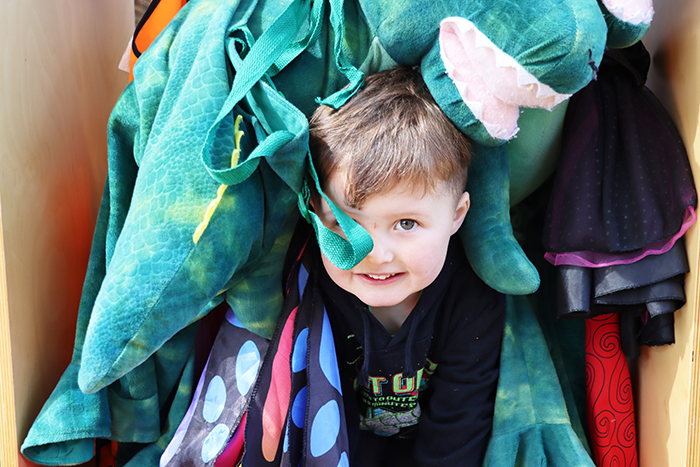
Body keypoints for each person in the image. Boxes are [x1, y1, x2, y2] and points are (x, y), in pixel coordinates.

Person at [289, 66, 506, 467]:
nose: (376, 254)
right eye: (346, 223)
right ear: (315, 213)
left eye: (406, 224)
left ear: (456, 217)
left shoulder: (473, 299)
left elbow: (458, 430)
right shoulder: (309, 288)